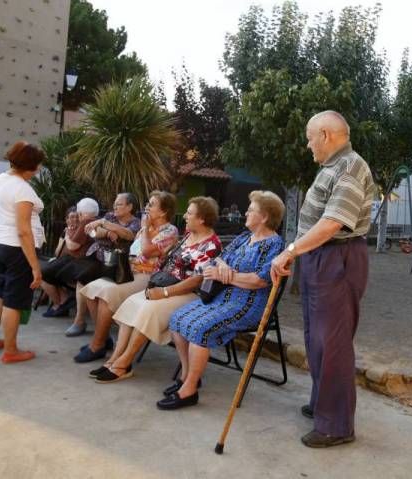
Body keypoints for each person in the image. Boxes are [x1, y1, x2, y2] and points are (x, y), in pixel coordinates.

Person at [271, 111, 375, 448]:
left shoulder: (349, 167)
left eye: (309, 136)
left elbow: (333, 223)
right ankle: (322, 405)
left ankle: (336, 425)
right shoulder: (332, 167)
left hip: (337, 258)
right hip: (321, 257)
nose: (307, 144)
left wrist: (290, 251)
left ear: (326, 134)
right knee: (316, 337)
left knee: (332, 343)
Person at [158, 191, 285, 410]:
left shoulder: (274, 245)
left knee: (200, 328)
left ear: (264, 216)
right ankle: (189, 376)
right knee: (177, 319)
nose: (245, 213)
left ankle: (188, 391)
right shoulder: (245, 237)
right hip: (222, 298)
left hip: (247, 305)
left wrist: (227, 276)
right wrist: (223, 267)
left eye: (251, 210)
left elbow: (260, 281)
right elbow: (219, 257)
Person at [90, 197, 222, 382]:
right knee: (132, 303)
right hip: (166, 284)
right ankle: (114, 359)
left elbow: (197, 280)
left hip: (188, 293)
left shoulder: (211, 244)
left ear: (202, 219)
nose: (184, 216)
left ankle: (123, 364)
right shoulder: (188, 235)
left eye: (189, 213)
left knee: (148, 310)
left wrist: (165, 292)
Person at [76, 191, 179, 364]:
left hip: (147, 276)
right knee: (91, 290)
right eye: (148, 203)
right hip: (128, 272)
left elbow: (146, 252)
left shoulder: (170, 231)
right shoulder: (145, 228)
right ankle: (103, 338)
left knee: (107, 295)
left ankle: (97, 345)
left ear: (163, 211)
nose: (147, 207)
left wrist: (145, 228)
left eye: (151, 204)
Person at [0, 141, 46, 364]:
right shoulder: (22, 189)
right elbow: (24, 230)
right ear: (29, 166)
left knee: (1, 293)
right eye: (37, 166)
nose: (38, 170)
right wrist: (35, 267)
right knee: (15, 301)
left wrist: (1, 237)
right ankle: (11, 350)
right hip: (17, 248)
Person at [63, 193, 141, 337]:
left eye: (119, 204)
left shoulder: (136, 222)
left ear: (129, 207)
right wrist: (108, 231)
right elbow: (93, 231)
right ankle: (80, 321)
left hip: (117, 263)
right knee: (81, 278)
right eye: (115, 203)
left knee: (85, 278)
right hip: (97, 256)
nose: (114, 206)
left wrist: (105, 224)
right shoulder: (111, 216)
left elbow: (128, 235)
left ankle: (90, 327)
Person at [41, 201, 98, 318]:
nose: (75, 220)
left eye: (77, 216)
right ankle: (63, 302)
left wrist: (68, 236)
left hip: (76, 262)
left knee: (44, 274)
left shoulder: (84, 225)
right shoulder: (69, 230)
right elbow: (58, 252)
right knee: (45, 272)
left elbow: (73, 247)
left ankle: (60, 304)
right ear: (66, 219)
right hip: (66, 260)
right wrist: (66, 236)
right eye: (72, 217)